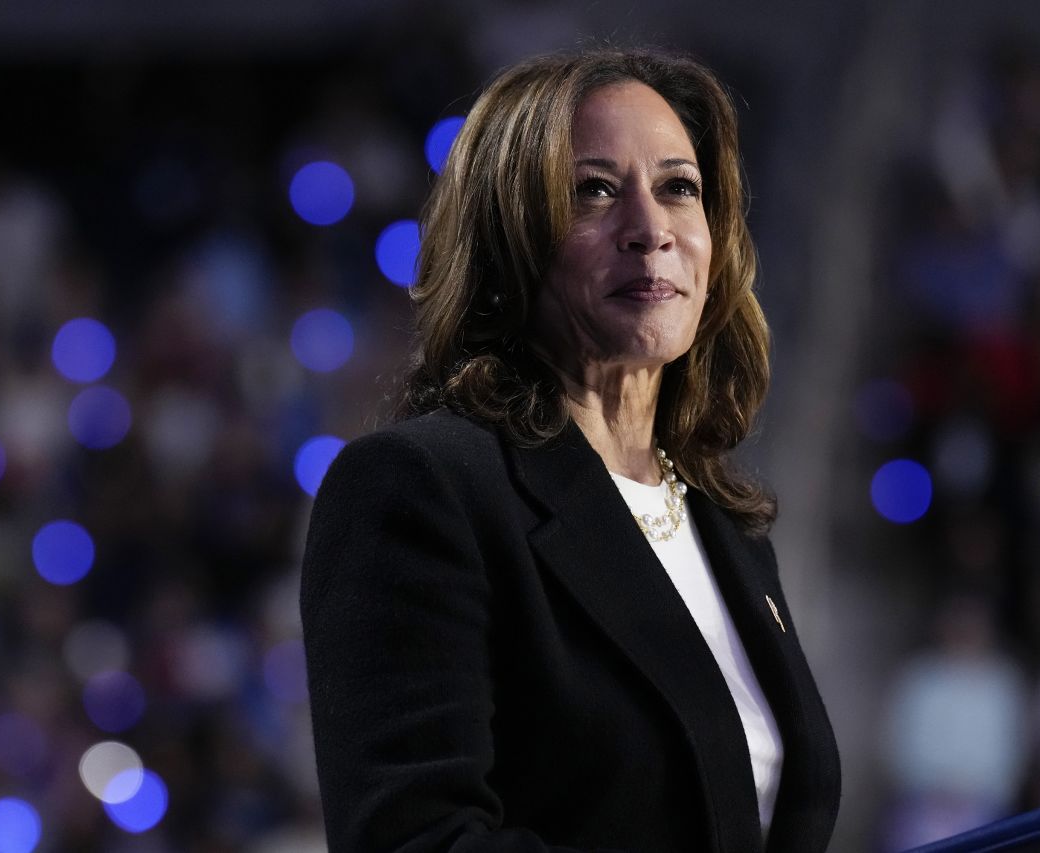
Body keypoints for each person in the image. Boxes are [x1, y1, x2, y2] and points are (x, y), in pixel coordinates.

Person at [301, 47, 841, 853]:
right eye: (593, 190)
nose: (650, 230)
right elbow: (418, 839)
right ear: (507, 236)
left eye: (678, 188)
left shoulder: (728, 524)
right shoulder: (421, 489)